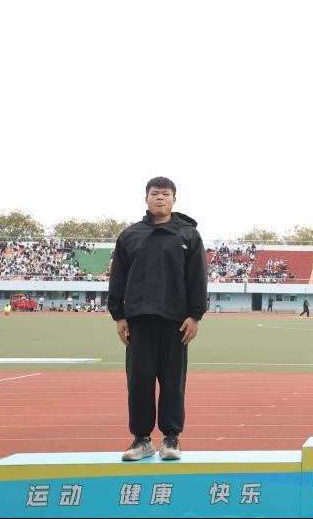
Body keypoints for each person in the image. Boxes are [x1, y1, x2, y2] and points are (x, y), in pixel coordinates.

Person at [108, 176, 207, 462]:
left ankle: (171, 438)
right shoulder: (130, 235)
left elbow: (198, 277)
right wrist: (119, 315)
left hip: (176, 322)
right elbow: (118, 277)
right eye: (155, 193)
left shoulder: (188, 235)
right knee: (139, 381)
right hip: (138, 321)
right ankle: (141, 439)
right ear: (146, 198)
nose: (160, 198)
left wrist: (195, 315)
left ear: (174, 199)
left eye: (165, 194)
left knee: (173, 382)